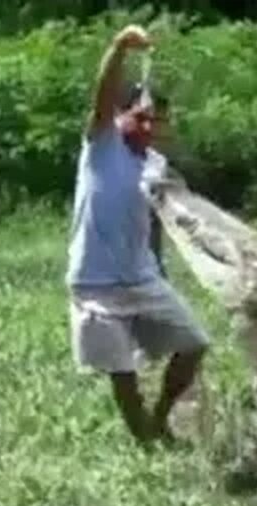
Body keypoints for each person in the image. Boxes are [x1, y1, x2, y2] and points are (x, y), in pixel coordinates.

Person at [65, 23, 210, 446]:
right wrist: (118, 49)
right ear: (119, 116)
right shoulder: (102, 144)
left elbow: (154, 223)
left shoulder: (155, 164)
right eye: (141, 117)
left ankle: (162, 418)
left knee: (194, 344)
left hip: (142, 277)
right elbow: (103, 93)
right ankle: (145, 439)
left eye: (156, 121)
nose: (149, 127)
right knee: (121, 368)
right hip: (95, 282)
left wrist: (159, 269)